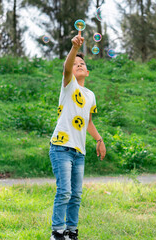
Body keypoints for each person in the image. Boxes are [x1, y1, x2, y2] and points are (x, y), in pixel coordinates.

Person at [49, 34, 106, 240]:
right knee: (64, 191)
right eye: (76, 63)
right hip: (61, 147)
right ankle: (57, 232)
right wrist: (74, 48)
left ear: (87, 72)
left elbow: (88, 121)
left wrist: (99, 140)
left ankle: (71, 232)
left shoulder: (90, 95)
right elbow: (66, 68)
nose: (79, 65)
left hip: (79, 151)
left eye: (82, 63)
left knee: (76, 195)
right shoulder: (68, 85)